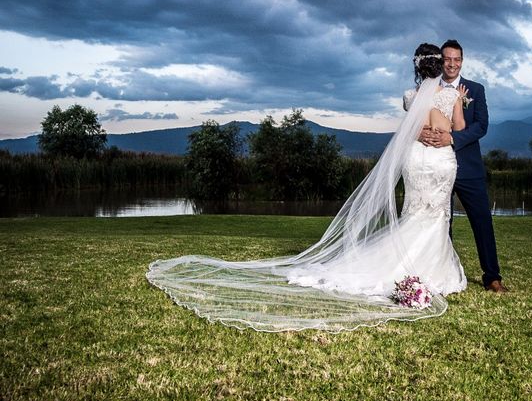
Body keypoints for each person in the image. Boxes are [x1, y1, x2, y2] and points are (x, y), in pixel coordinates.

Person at [146, 43, 469, 332]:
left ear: (416, 67)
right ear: (439, 66)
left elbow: (409, 131)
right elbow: (459, 128)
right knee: (435, 213)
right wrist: (459, 105)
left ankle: (410, 267)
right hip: (440, 159)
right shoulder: (451, 95)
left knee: (414, 211)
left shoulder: (409, 98)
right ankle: (433, 271)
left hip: (415, 159)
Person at [422, 39, 508, 293]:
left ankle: (492, 277)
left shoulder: (476, 89)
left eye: (456, 59)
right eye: (447, 59)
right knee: (442, 223)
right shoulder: (428, 89)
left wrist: (453, 139)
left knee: (482, 221)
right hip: (437, 168)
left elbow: (481, 126)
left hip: (469, 168)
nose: (451, 63)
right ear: (440, 61)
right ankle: (443, 275)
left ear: (462, 61)